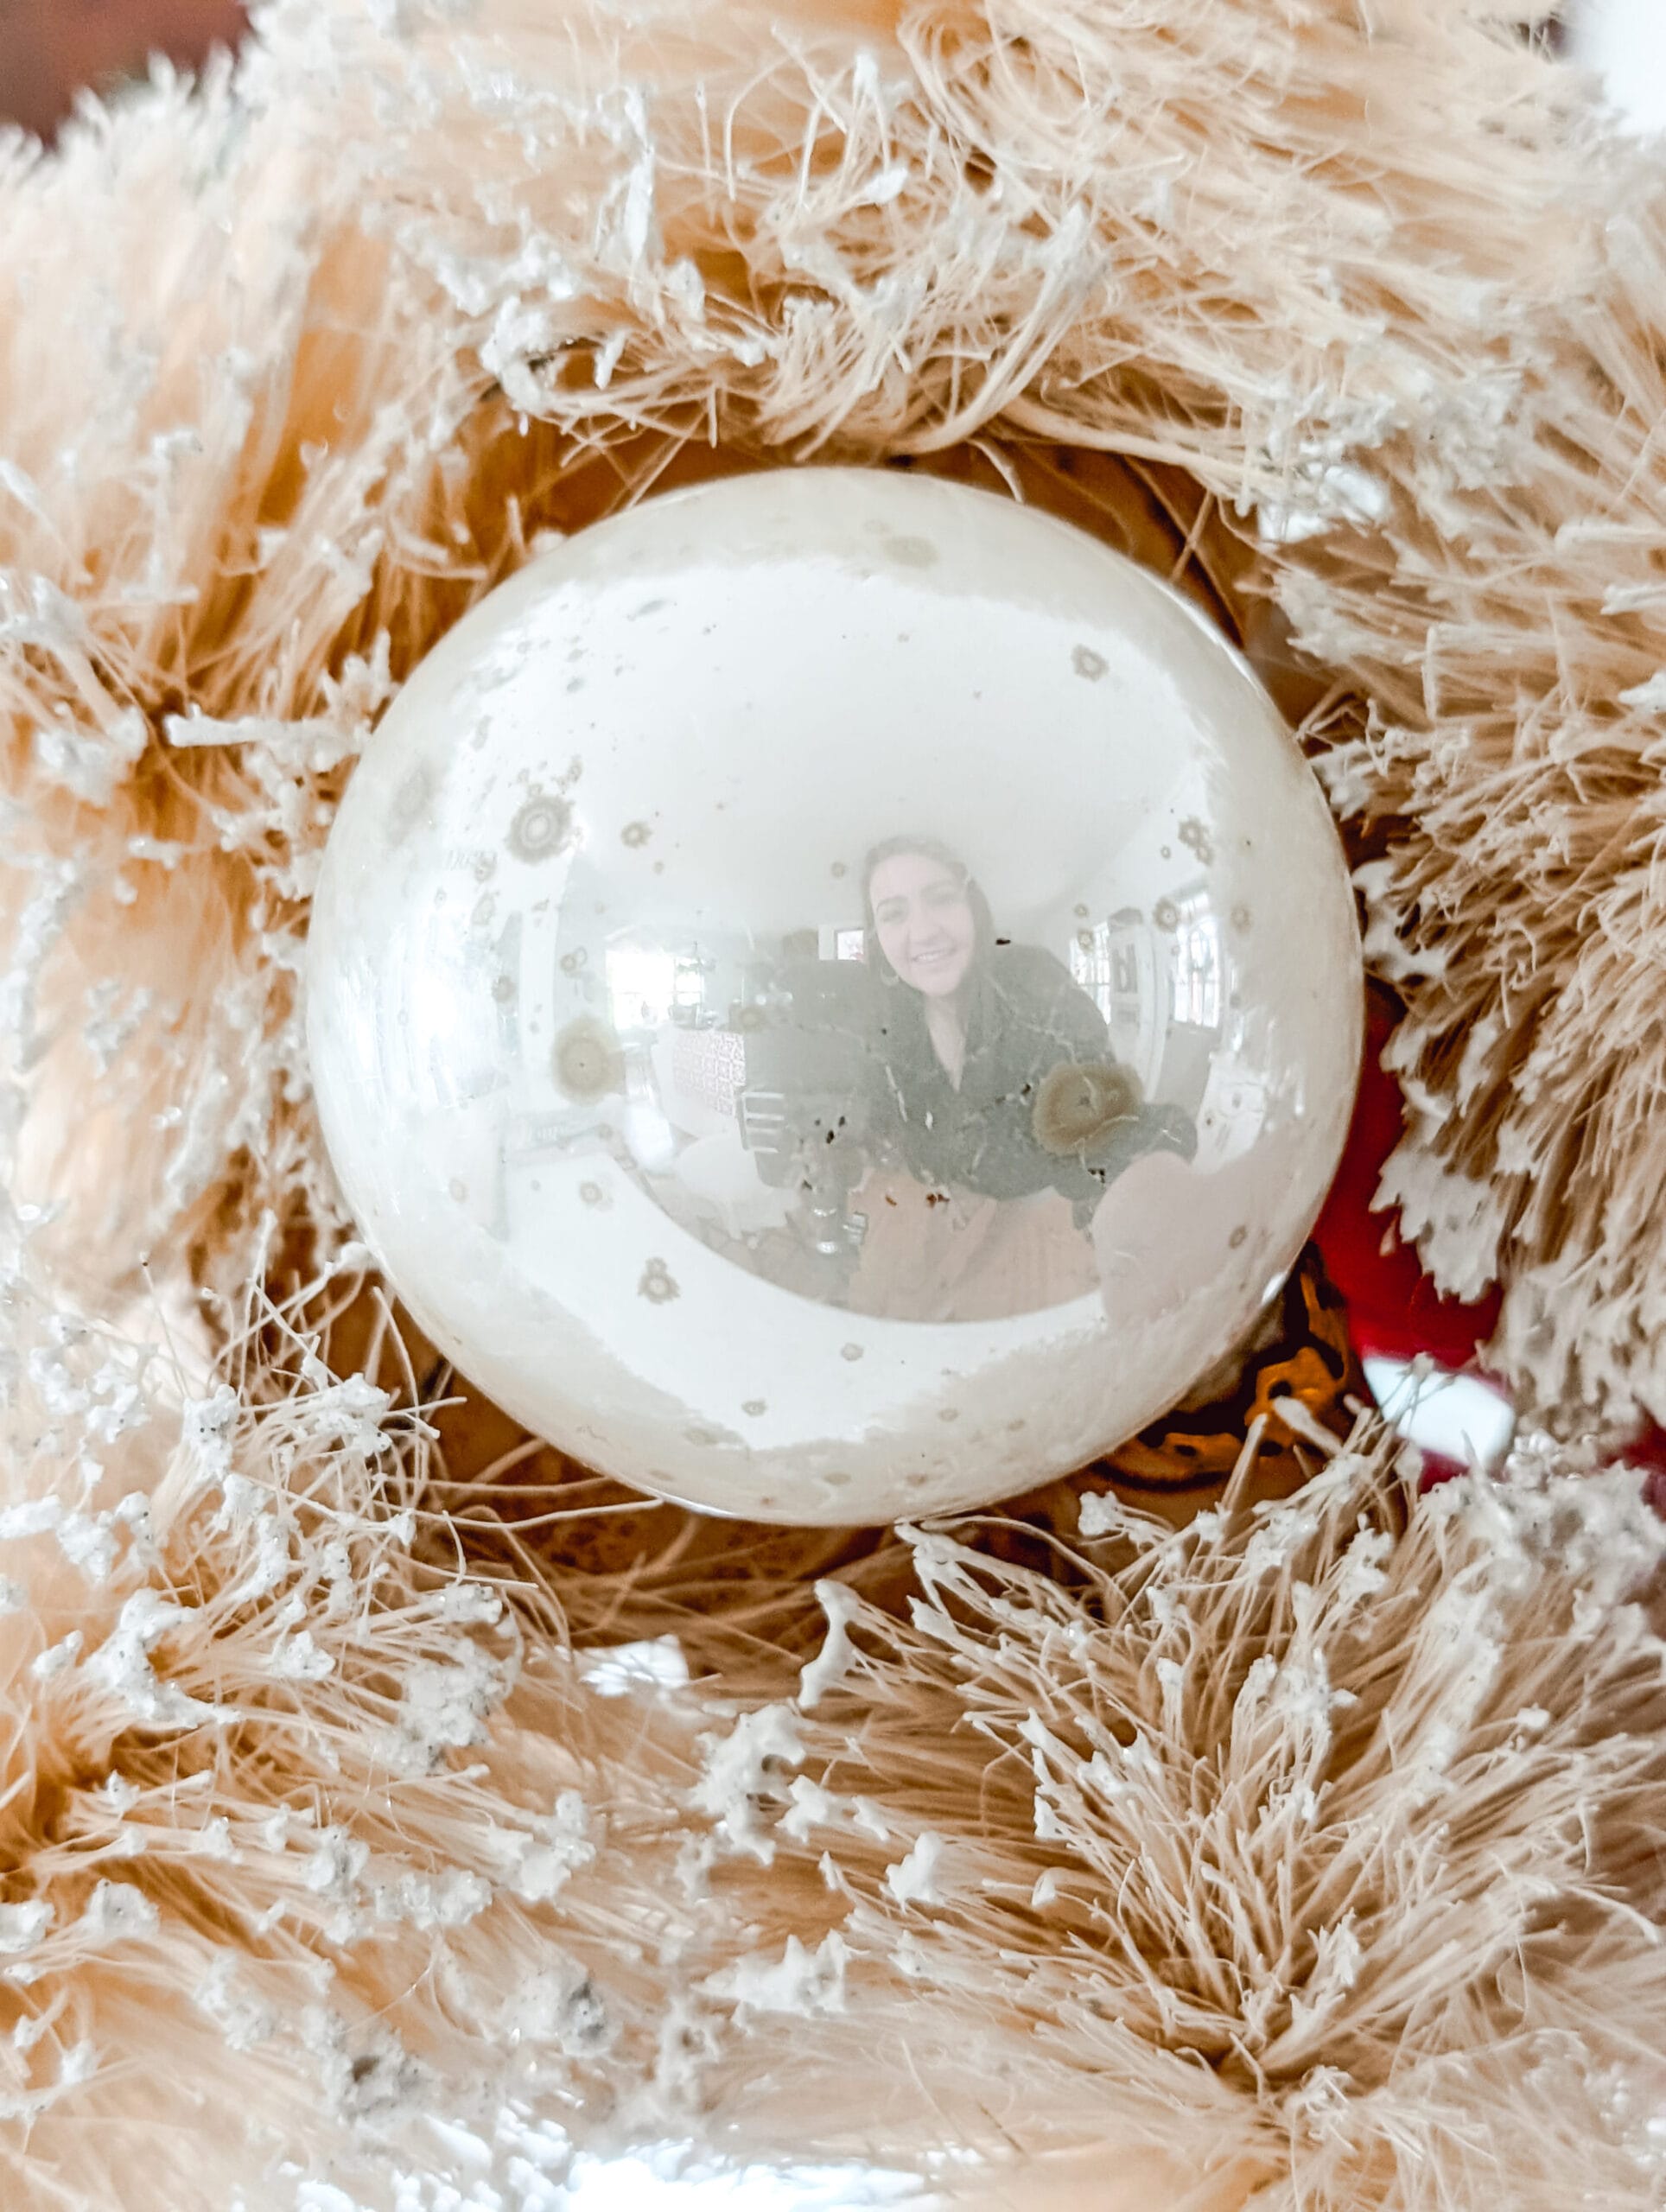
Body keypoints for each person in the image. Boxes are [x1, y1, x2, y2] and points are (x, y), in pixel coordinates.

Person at [846, 836, 1194, 1322]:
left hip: (1029, 1172)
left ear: (973, 905)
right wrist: (942, 1183)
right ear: (876, 936)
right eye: (893, 913)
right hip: (956, 1170)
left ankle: (959, 1283)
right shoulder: (887, 1020)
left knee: (1005, 1222)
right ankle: (945, 1268)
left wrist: (1143, 1191)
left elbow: (1109, 1127)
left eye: (941, 898)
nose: (922, 931)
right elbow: (886, 1114)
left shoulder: (1035, 986)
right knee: (946, 1229)